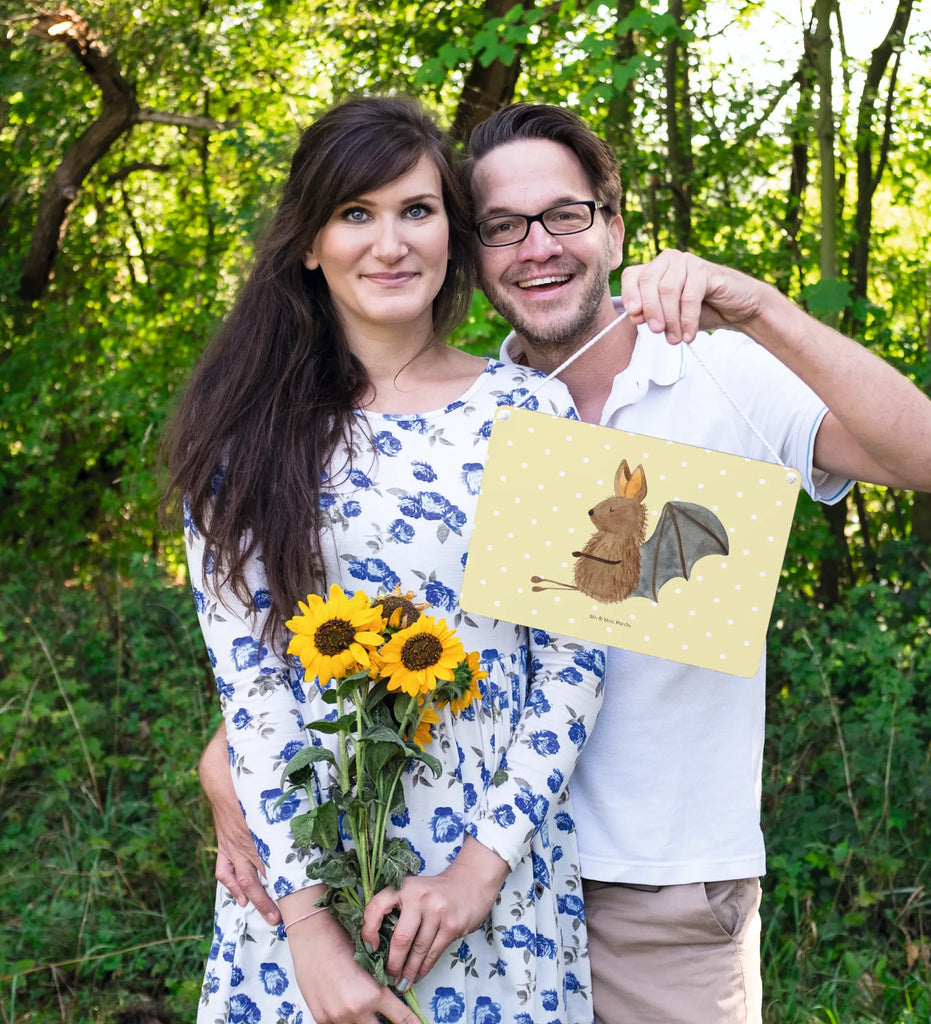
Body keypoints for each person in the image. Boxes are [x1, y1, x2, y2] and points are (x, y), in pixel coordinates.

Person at [201, 102, 931, 1024]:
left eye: (564, 215)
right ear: (474, 249)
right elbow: (338, 631)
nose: (537, 247)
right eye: (502, 227)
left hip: (651, 886)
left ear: (612, 225)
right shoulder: (461, 413)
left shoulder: (708, 372)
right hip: (428, 874)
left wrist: (759, 307)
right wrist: (234, 768)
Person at [162, 96, 609, 1024]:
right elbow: (253, 692)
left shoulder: (533, 414)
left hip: (493, 886)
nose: (390, 243)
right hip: (302, 885)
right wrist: (310, 936)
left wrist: (478, 874)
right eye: (355, 214)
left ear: (452, 230)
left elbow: (573, 664)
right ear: (309, 243)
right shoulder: (244, 438)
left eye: (417, 210)